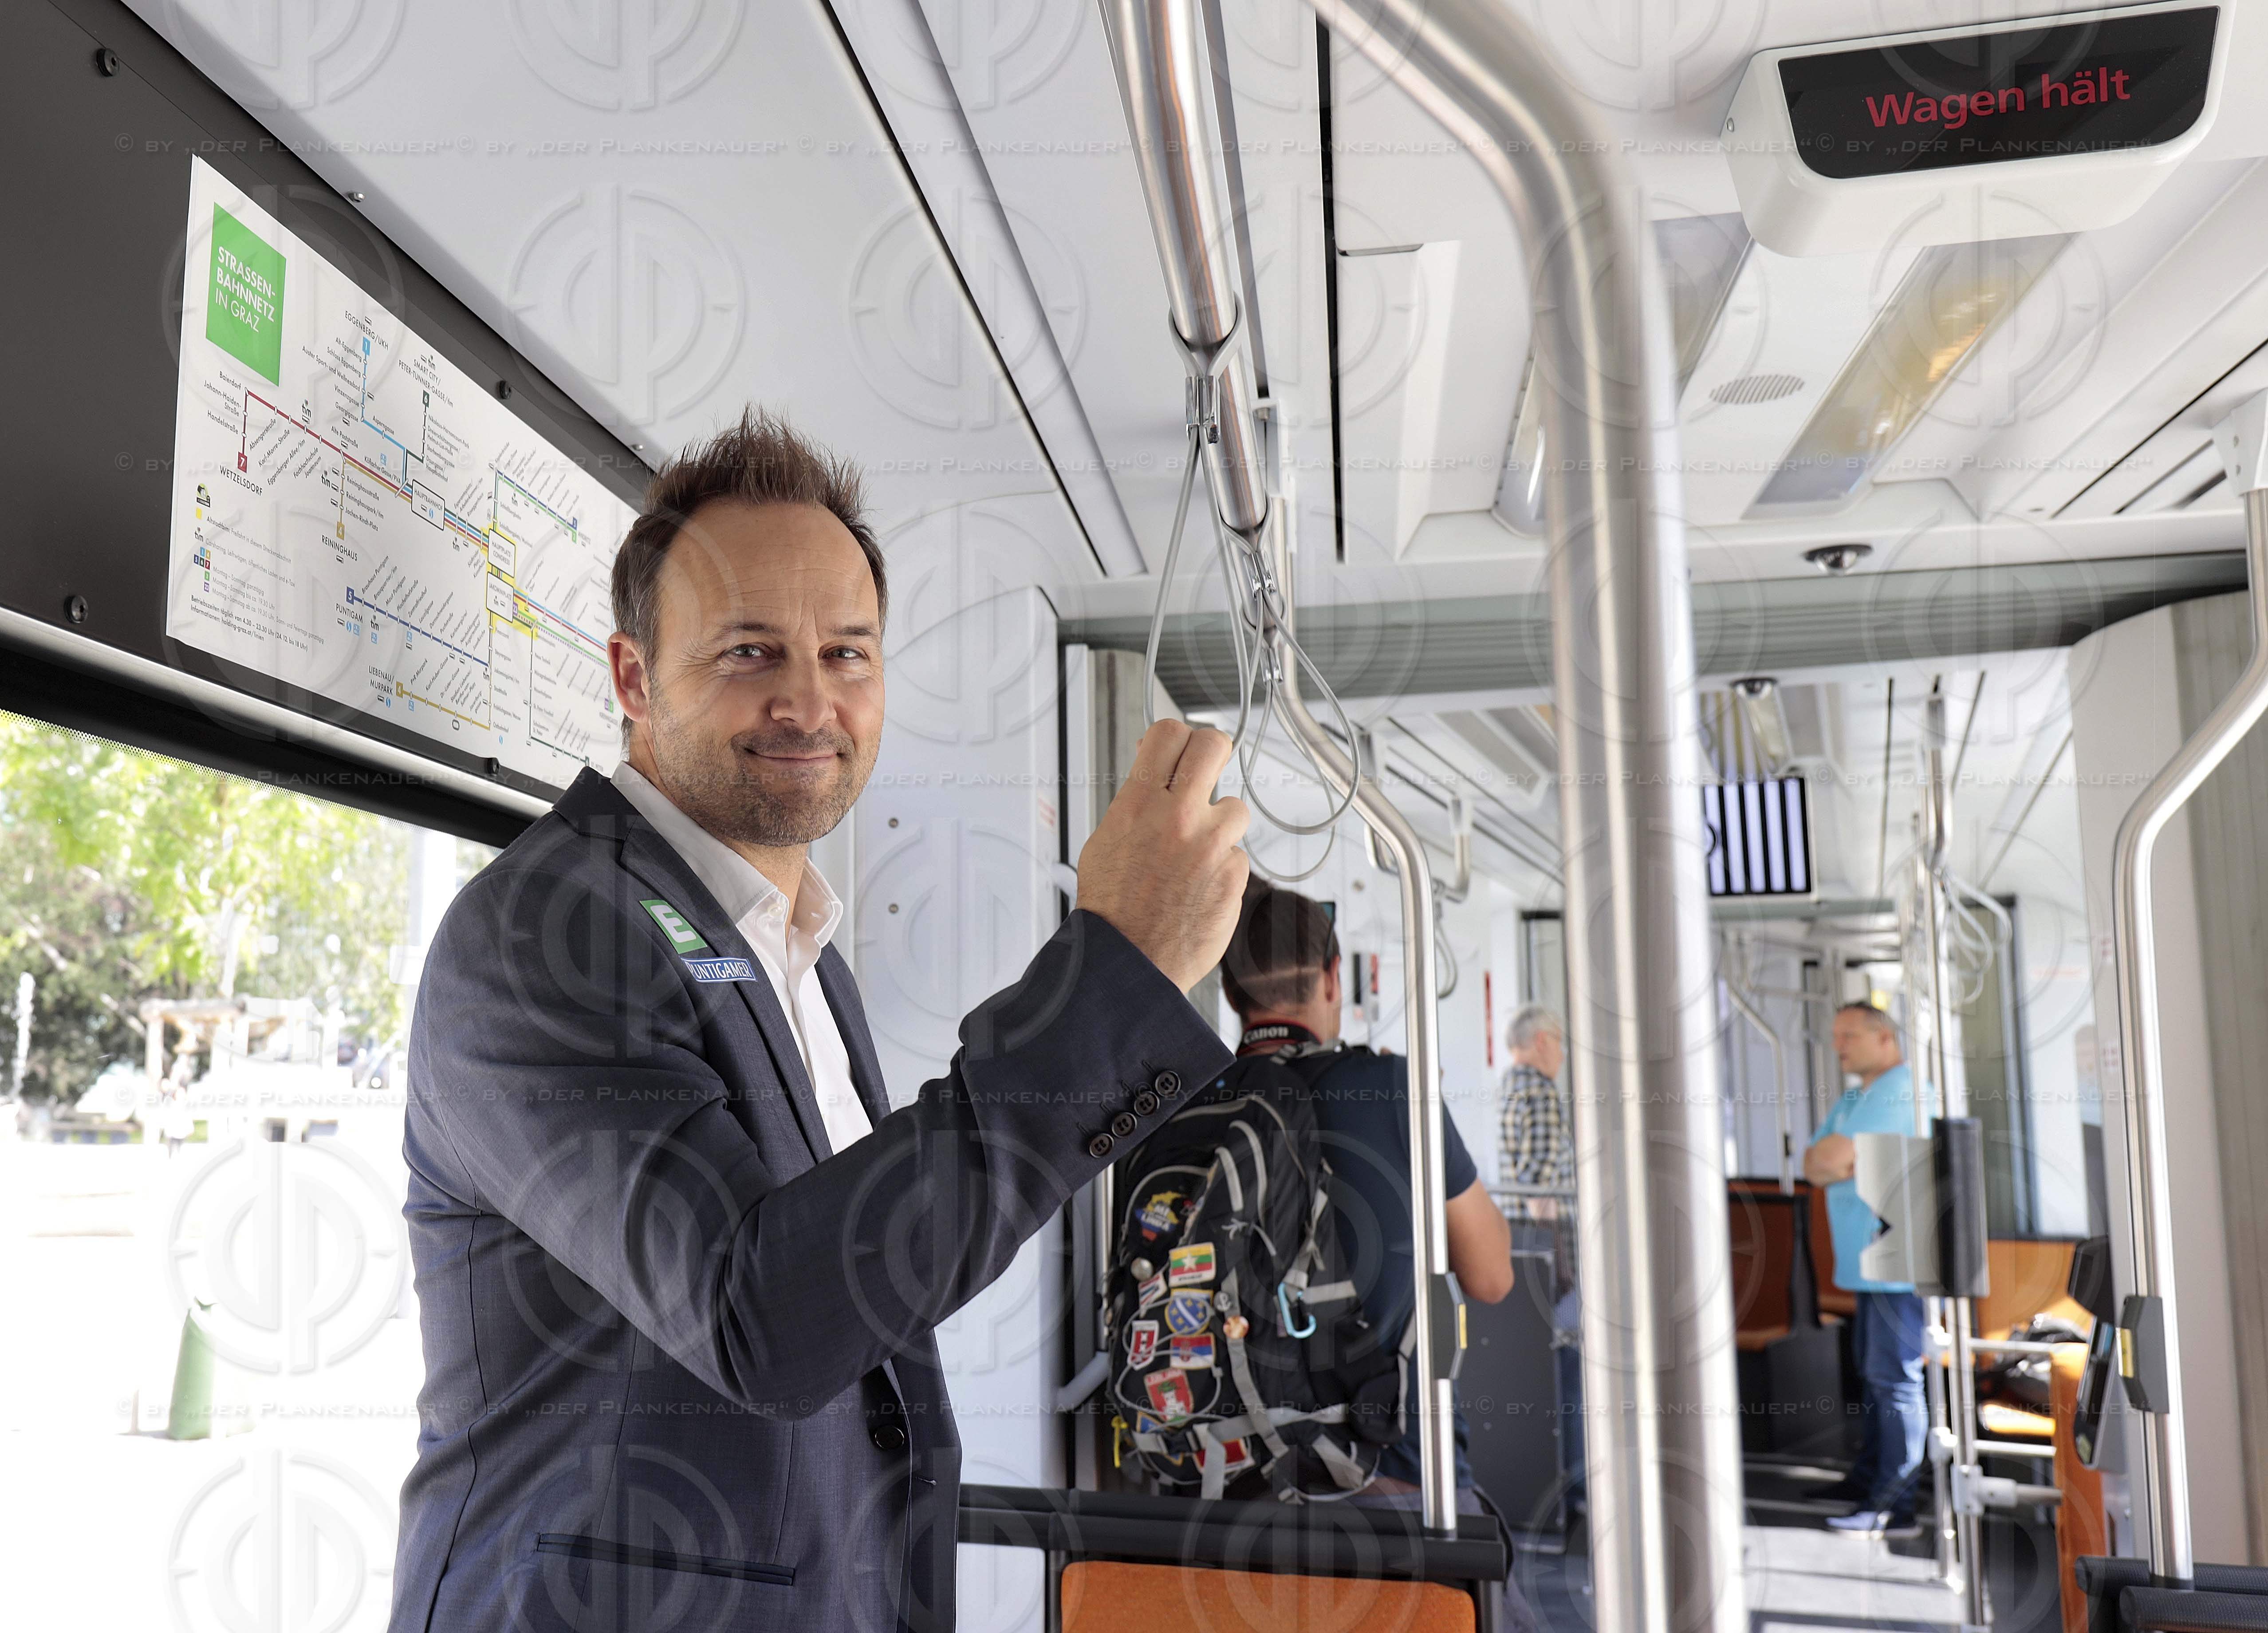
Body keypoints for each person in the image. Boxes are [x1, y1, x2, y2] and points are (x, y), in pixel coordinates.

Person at [390, 410, 1250, 1633]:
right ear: (634, 679)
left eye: (847, 652)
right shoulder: (545, 934)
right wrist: (1112, 978)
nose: (809, 700)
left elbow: (859, 1279)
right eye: (749, 651)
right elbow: (761, 1316)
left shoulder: (797, 950)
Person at [1219, 885, 1536, 1633]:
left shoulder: (1192, 1101)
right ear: (1334, 977)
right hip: (1392, 1477)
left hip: (1222, 1488)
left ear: (1230, 993)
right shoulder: (1393, 1088)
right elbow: (1492, 1276)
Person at [1805, 1001, 1927, 1538]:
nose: (1839, 1046)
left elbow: (1831, 1160)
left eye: (1849, 1035)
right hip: (1865, 1264)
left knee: (1895, 1380)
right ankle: (1867, 1480)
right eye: (1836, 1036)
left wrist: (1835, 1160)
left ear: (1884, 1038)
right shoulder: (1858, 1096)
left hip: (1896, 1263)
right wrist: (1833, 1159)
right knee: (1874, 1377)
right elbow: (1813, 1164)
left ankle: (1896, 1504)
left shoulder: (1901, 1089)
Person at [1498, 1003, 1583, 1514]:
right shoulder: (1544, 1093)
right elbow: (1540, 1190)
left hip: (1520, 1248)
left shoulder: (1509, 1086)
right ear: (1544, 1041)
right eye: (1561, 1043)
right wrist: (1563, 1268)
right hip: (1551, 1252)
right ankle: (1576, 1489)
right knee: (1570, 1370)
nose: (1564, 1055)